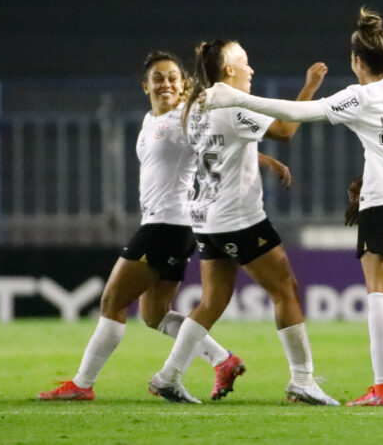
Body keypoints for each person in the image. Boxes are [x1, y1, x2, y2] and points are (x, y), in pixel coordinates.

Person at [204, 9, 383, 406]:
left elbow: (295, 113)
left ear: (357, 61)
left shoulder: (360, 97)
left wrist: (232, 96)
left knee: (381, 294)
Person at [38, 50, 289, 402]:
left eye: (173, 77)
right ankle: (223, 359)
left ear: (183, 84)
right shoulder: (149, 121)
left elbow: (222, 144)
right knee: (154, 314)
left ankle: (82, 384)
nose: (166, 83)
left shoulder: (184, 120)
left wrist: (266, 161)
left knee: (112, 300)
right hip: (171, 227)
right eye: (158, 77)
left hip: (167, 226)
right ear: (146, 85)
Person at [146, 40, 339, 406]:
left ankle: (168, 376)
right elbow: (284, 130)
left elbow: (221, 147)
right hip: (238, 220)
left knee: (213, 301)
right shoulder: (233, 105)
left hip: (205, 218)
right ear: (229, 70)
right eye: (245, 62)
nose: (251, 70)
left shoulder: (195, 105)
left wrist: (265, 163)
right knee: (286, 289)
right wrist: (310, 86)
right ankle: (303, 380)